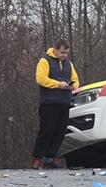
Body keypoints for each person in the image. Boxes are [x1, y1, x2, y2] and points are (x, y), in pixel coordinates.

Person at [32, 39, 80, 169]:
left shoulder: (68, 64)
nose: (64, 55)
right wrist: (58, 84)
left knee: (60, 131)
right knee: (46, 131)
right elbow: (40, 79)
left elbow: (76, 80)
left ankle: (50, 157)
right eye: (62, 52)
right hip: (49, 103)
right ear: (55, 49)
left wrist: (72, 86)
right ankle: (38, 158)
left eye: (66, 53)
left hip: (64, 102)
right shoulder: (45, 61)